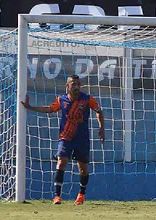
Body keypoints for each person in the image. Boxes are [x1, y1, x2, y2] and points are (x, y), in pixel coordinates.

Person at [21, 75, 105, 205]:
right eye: (73, 84)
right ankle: (57, 196)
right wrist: (31, 107)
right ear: (67, 86)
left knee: (83, 168)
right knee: (62, 161)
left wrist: (102, 128)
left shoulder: (87, 99)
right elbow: (50, 109)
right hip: (66, 137)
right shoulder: (62, 100)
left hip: (82, 139)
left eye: (78, 84)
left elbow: (99, 111)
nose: (76, 87)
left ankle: (81, 195)